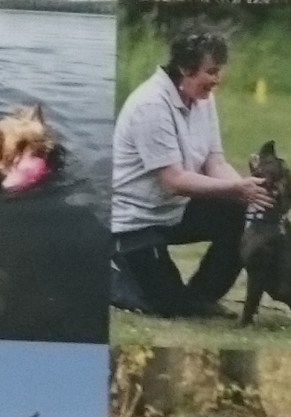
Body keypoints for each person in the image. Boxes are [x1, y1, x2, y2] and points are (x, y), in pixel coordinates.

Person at [109, 28, 265, 317]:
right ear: (184, 68)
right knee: (167, 307)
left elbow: (214, 163)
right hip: (134, 220)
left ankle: (202, 297)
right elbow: (174, 181)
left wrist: (251, 194)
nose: (217, 79)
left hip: (175, 211)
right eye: (211, 71)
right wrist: (239, 189)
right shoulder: (150, 105)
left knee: (244, 216)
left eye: (219, 71)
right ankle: (116, 267)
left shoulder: (202, 98)